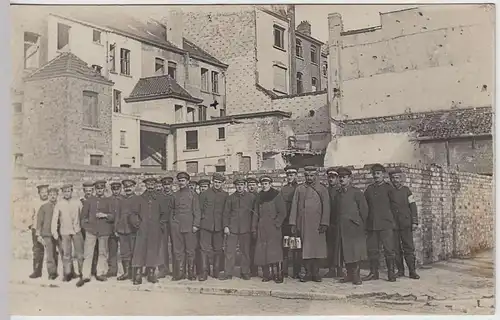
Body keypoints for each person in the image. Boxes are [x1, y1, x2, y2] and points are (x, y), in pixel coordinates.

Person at [289, 166, 330, 283]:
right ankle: (307, 272)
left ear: (316, 176)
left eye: (312, 175)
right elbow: (294, 206)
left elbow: (327, 207)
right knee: (305, 250)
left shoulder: (322, 189)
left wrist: (324, 222)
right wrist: (293, 223)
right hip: (303, 224)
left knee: (317, 250)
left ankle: (316, 273)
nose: (309, 178)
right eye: (307, 176)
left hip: (317, 225)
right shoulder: (300, 189)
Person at [130, 177, 170, 284]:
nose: (151, 185)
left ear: (155, 185)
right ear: (145, 185)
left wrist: (160, 224)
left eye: (153, 183)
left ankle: (151, 273)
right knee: (139, 250)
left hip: (155, 228)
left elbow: (165, 213)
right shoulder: (140, 198)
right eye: (148, 184)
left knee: (153, 250)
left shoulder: (160, 198)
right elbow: (133, 213)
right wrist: (137, 223)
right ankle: (138, 274)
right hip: (142, 228)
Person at [363, 163, 397, 282]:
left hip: (386, 224)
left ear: (383, 175)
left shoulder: (389, 188)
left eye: (378, 173)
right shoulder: (369, 189)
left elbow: (395, 206)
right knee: (372, 250)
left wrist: (392, 221)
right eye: (374, 174)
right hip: (372, 225)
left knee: (389, 250)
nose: (376, 176)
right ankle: (374, 273)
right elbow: (365, 206)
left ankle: (391, 273)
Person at [335, 167, 369, 285]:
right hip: (342, 227)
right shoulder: (338, 193)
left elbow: (364, 210)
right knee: (345, 251)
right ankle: (349, 275)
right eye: (340, 177)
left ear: (349, 178)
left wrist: (361, 224)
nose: (341, 179)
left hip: (354, 227)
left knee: (355, 252)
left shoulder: (356, 193)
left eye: (344, 177)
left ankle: (356, 276)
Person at [252, 175, 287, 283]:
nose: (264, 185)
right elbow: (255, 214)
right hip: (262, 228)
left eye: (266, 183)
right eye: (262, 184)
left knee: (275, 251)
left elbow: (282, 212)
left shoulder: (276, 195)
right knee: (263, 251)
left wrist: (276, 224)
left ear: (270, 184)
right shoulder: (259, 196)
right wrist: (254, 227)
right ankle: (268, 274)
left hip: (273, 228)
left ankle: (278, 274)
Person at [79, 180, 114, 286]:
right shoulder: (90, 201)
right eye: (98, 189)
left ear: (104, 189)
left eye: (101, 188)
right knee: (88, 253)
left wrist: (105, 215)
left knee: (103, 252)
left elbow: (113, 216)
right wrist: (87, 227)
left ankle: (100, 273)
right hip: (91, 231)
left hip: (104, 231)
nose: (100, 190)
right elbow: (83, 217)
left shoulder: (109, 201)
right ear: (95, 190)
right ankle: (86, 275)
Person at [220, 177, 255, 280]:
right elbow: (226, 213)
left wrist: (252, 227)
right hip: (232, 228)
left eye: (242, 185)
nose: (240, 187)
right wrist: (226, 226)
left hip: (246, 228)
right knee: (230, 251)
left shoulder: (251, 197)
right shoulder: (230, 198)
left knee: (245, 252)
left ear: (244, 186)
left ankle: (244, 272)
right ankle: (228, 273)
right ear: (235, 186)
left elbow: (254, 213)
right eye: (238, 185)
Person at [389, 168, 420, 280]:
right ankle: (400, 270)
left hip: (406, 223)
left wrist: (414, 221)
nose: (395, 180)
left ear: (401, 179)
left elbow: (413, 206)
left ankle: (412, 271)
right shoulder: (389, 191)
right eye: (393, 178)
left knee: (408, 248)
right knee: (396, 249)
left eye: (397, 178)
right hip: (394, 225)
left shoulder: (407, 190)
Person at [170, 172, 201, 281]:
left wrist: (196, 225)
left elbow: (197, 211)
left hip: (190, 226)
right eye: (180, 181)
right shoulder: (175, 195)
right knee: (178, 250)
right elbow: (172, 211)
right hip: (177, 226)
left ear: (188, 181)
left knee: (190, 250)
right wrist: (173, 224)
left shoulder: (193, 195)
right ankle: (180, 273)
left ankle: (191, 273)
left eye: (183, 181)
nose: (181, 183)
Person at [51, 184, 84, 284]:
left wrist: (81, 228)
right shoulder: (59, 204)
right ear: (62, 192)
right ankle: (68, 273)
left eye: (68, 191)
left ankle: (82, 273)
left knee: (80, 254)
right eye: (65, 191)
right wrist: (54, 232)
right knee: (66, 254)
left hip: (76, 231)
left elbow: (82, 215)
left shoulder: (78, 202)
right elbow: (55, 218)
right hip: (65, 231)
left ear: (71, 191)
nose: (67, 193)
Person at [198, 173, 228, 281]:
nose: (217, 184)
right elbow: (199, 210)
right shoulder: (205, 194)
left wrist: (225, 226)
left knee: (218, 249)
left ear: (222, 183)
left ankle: (216, 271)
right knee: (204, 249)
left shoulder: (225, 195)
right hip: (205, 226)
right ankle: (204, 272)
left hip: (219, 227)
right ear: (212, 181)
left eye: (219, 183)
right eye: (215, 182)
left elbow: (226, 212)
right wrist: (200, 223)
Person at [280, 165, 301, 279]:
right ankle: (284, 270)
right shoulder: (283, 189)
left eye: (292, 175)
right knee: (285, 246)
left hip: (296, 222)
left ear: (296, 176)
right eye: (288, 175)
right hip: (285, 222)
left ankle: (297, 271)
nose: (290, 177)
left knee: (296, 247)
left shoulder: (300, 188)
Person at [36, 187, 61, 280]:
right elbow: (39, 222)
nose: (52, 196)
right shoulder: (44, 207)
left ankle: (63, 271)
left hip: (59, 234)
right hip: (47, 234)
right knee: (50, 254)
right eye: (50, 195)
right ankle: (52, 273)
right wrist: (38, 234)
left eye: (54, 195)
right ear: (48, 196)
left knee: (58, 253)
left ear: (57, 195)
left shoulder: (60, 206)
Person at [115, 179, 138, 281]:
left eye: (130, 187)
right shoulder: (121, 200)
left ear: (134, 187)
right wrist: (116, 228)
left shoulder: (139, 199)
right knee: (124, 252)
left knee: (134, 251)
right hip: (122, 229)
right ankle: (126, 273)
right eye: (126, 187)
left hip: (133, 229)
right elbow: (117, 215)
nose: (128, 189)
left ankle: (134, 273)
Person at [325, 167, 343, 279]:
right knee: (330, 247)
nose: (331, 180)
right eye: (329, 177)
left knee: (339, 247)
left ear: (337, 178)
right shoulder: (325, 191)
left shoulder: (340, 190)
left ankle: (340, 269)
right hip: (328, 222)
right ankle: (331, 269)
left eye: (333, 177)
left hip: (339, 222)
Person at [28, 184, 49, 279]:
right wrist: (31, 226)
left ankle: (52, 272)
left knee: (51, 251)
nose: (44, 194)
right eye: (42, 192)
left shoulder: (51, 202)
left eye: (46, 192)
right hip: (37, 230)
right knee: (37, 251)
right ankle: (37, 271)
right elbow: (30, 215)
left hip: (48, 230)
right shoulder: (34, 203)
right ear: (39, 193)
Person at [80, 181, 99, 277]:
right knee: (87, 250)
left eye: (90, 190)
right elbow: (82, 217)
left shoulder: (96, 201)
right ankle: (85, 272)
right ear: (84, 191)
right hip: (85, 228)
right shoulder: (81, 201)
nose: (88, 192)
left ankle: (94, 270)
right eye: (86, 190)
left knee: (96, 250)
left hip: (95, 229)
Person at [158, 176, 174, 278]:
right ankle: (163, 269)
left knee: (176, 247)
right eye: (165, 185)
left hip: (174, 224)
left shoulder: (175, 196)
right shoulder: (159, 197)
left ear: (172, 185)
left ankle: (176, 270)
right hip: (162, 224)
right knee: (162, 248)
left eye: (168, 185)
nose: (167, 187)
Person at [106, 179, 122, 278]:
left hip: (124, 228)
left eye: (117, 189)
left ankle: (128, 270)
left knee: (126, 250)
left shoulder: (124, 199)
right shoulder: (108, 200)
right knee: (112, 250)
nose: (116, 191)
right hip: (111, 228)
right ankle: (112, 270)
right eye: (114, 189)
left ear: (120, 189)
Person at [246, 177, 259, 277]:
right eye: (249, 185)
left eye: (253, 185)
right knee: (249, 249)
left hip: (259, 226)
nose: (251, 187)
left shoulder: (260, 196)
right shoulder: (246, 197)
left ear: (257, 186)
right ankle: (252, 269)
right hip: (247, 226)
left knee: (258, 248)